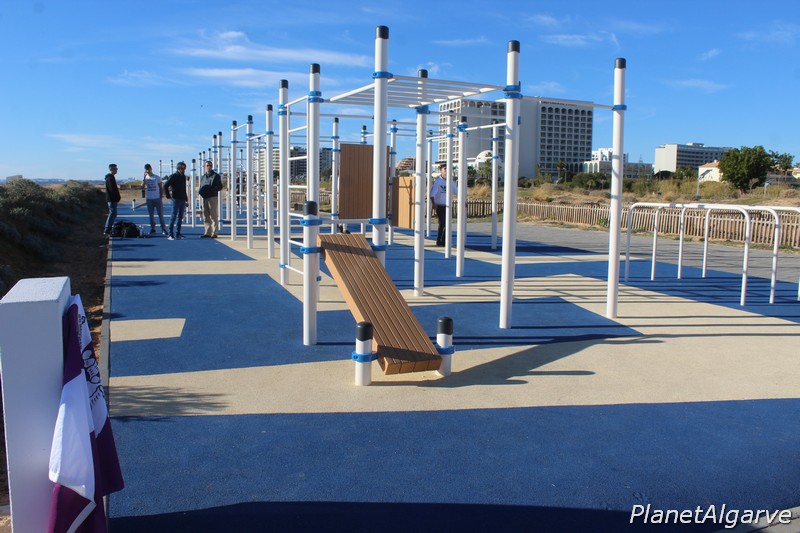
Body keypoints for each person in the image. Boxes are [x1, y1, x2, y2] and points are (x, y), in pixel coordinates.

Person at [429, 162, 458, 247]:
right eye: (445, 169)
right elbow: (432, 194)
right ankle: (439, 240)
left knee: (447, 223)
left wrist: (464, 201)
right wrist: (434, 204)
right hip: (440, 205)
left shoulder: (451, 182)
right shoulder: (438, 181)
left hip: (448, 206)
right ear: (441, 170)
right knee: (443, 223)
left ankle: (445, 240)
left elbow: (457, 192)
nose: (446, 171)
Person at [164, 161, 189, 240]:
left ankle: (178, 233)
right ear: (178, 168)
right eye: (182, 168)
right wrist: (169, 196)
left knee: (180, 216)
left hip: (182, 198)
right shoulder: (173, 176)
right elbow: (165, 186)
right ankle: (170, 234)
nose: (183, 170)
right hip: (175, 199)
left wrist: (186, 199)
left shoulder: (183, 177)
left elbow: (184, 188)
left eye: (184, 168)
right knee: (173, 216)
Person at [198, 160, 222, 238]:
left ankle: (215, 232)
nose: (209, 167)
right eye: (207, 165)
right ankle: (207, 232)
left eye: (210, 165)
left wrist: (212, 190)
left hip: (212, 197)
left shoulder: (216, 176)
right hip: (205, 197)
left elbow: (220, 187)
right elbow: (201, 186)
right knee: (205, 215)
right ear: (205, 166)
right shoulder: (203, 177)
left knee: (213, 215)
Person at [142, 164, 168, 235]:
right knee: (151, 215)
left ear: (151, 169)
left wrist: (160, 196)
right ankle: (153, 228)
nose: (148, 171)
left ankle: (163, 228)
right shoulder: (146, 178)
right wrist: (144, 178)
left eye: (148, 169)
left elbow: (160, 187)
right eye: (146, 170)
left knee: (160, 214)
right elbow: (142, 187)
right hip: (149, 199)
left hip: (157, 198)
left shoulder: (157, 177)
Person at [103, 163, 121, 236]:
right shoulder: (110, 178)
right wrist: (117, 197)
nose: (116, 170)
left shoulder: (111, 177)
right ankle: (107, 229)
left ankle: (108, 228)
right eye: (115, 169)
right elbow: (112, 189)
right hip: (112, 199)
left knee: (113, 213)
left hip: (112, 199)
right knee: (112, 213)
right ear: (111, 169)